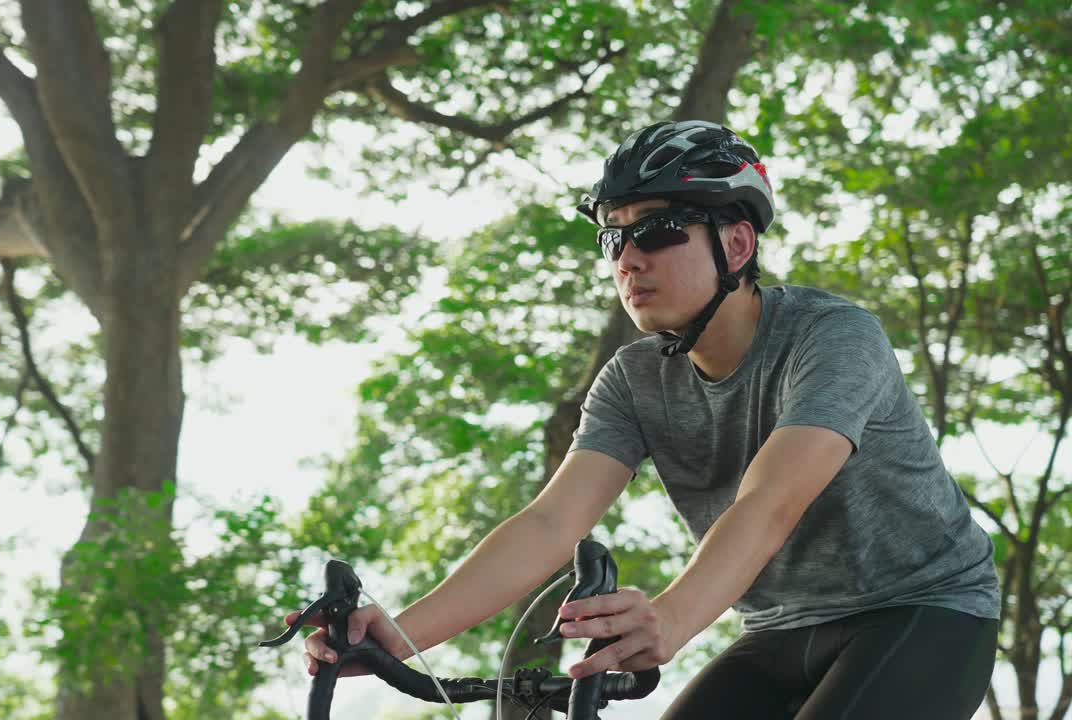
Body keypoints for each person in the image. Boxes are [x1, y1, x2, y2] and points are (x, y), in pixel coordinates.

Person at [289, 120, 1001, 719]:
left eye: (657, 231)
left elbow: (771, 500)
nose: (628, 258)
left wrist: (673, 616)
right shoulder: (633, 380)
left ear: (738, 245)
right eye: (613, 238)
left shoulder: (833, 338)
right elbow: (549, 525)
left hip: (924, 611)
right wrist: (395, 637)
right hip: (780, 628)